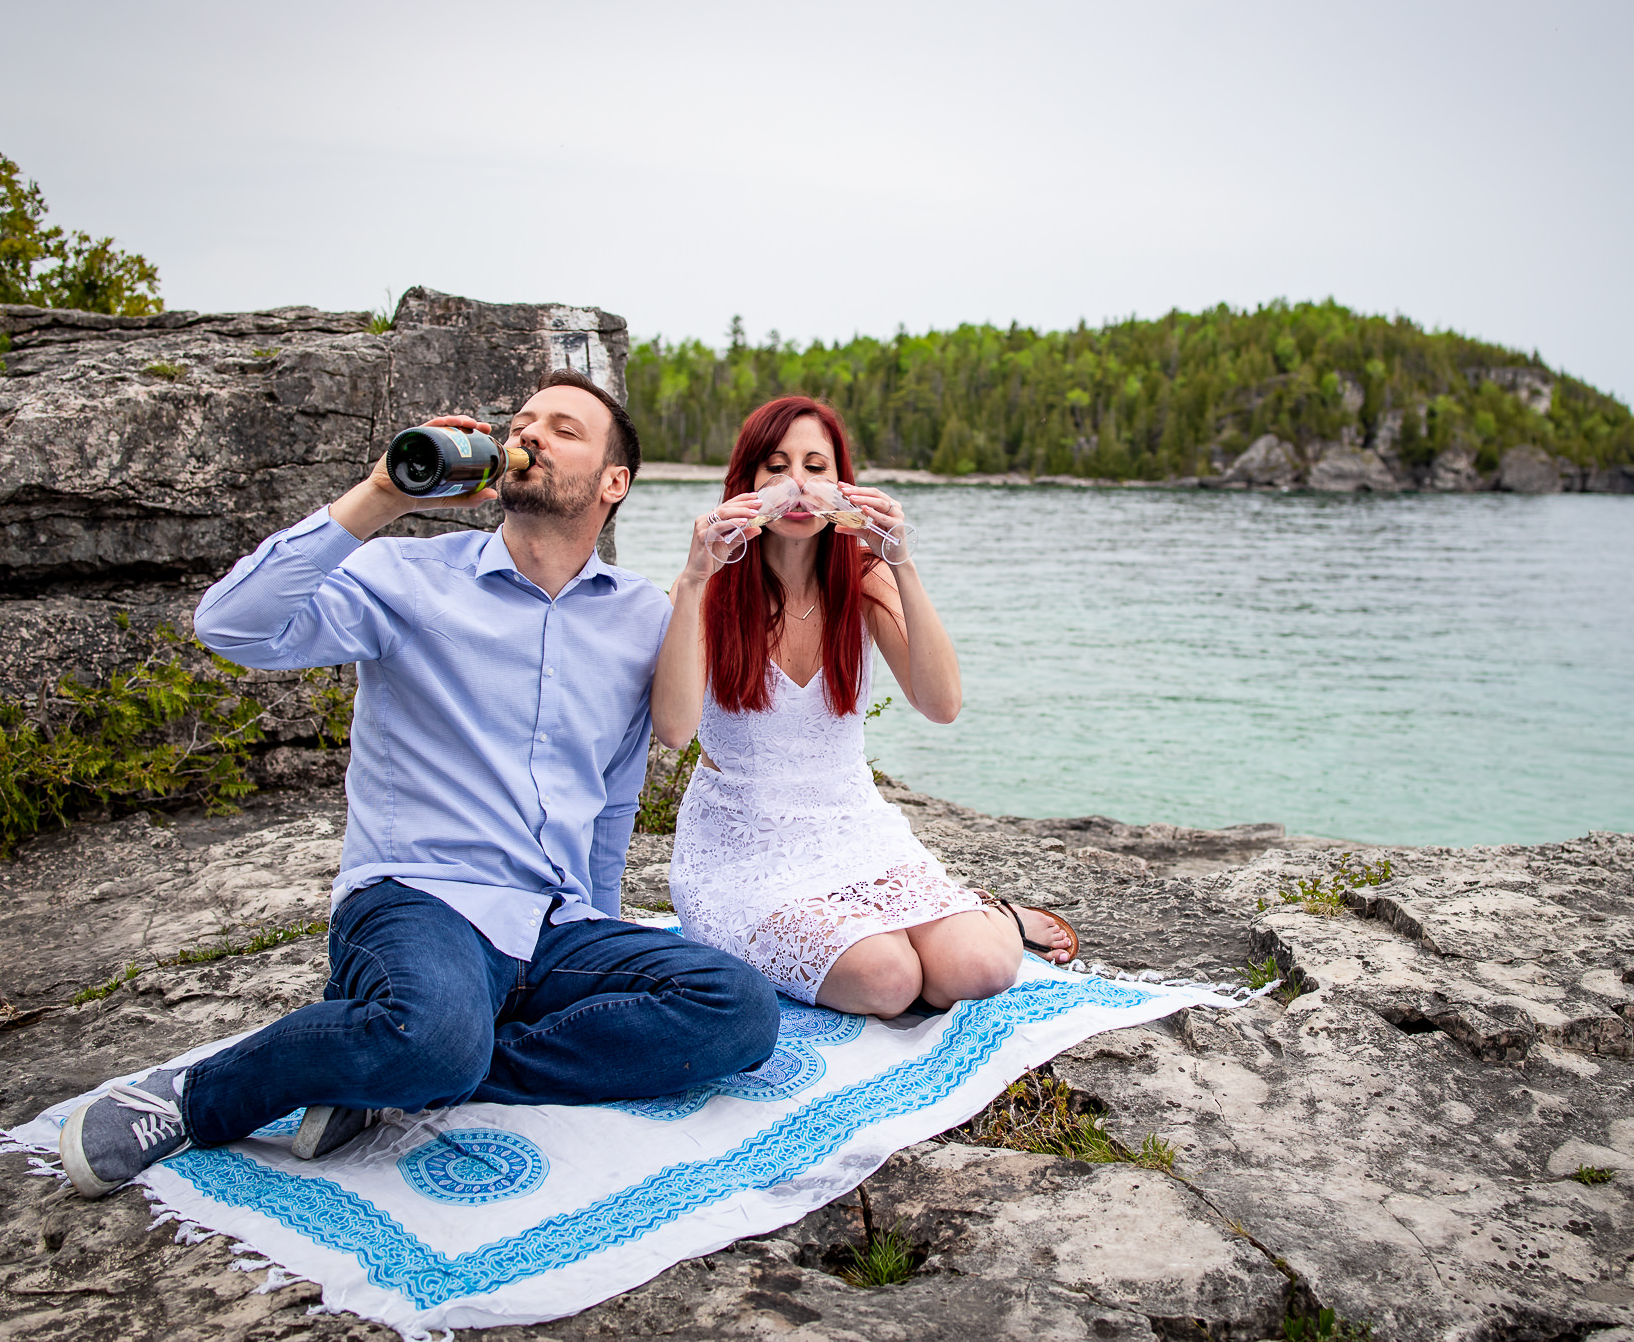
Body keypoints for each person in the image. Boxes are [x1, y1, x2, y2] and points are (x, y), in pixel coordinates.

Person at [57, 370, 781, 1199]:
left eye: (564, 428)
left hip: (550, 923)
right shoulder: (407, 577)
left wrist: (598, 921)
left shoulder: (641, 615)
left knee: (737, 1006)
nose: (532, 435)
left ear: (614, 482)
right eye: (523, 421)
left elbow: (613, 795)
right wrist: (380, 497)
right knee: (431, 1035)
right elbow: (231, 626)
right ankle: (196, 1094)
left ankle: (398, 1069)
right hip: (418, 900)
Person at [653, 396, 1077, 1022]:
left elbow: (942, 704)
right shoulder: (710, 585)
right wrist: (692, 580)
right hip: (746, 849)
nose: (796, 486)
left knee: (980, 967)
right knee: (888, 979)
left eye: (815, 467)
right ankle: (890, 934)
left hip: (851, 828)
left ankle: (995, 915)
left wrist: (901, 560)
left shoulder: (865, 577)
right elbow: (673, 728)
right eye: (775, 468)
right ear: (744, 486)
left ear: (841, 483)